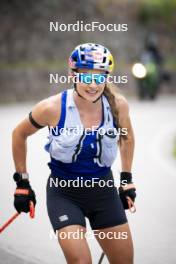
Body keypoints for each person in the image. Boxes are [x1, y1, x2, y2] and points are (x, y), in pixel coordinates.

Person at [12, 43, 136, 264]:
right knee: (81, 262)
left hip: (103, 193)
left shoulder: (118, 105)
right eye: (86, 78)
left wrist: (126, 179)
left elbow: (126, 138)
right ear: (73, 74)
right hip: (64, 193)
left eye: (99, 78)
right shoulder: (51, 108)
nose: (93, 85)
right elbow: (19, 134)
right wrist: (22, 182)